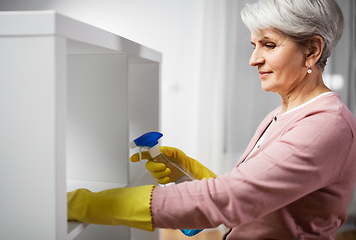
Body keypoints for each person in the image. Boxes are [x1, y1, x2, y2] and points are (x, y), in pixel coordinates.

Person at [67, 0, 356, 239]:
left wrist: (88, 204)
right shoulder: (282, 113)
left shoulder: (325, 126)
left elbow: (229, 199)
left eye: (268, 45)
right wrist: (188, 171)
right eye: (254, 44)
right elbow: (256, 198)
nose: (253, 59)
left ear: (312, 50)